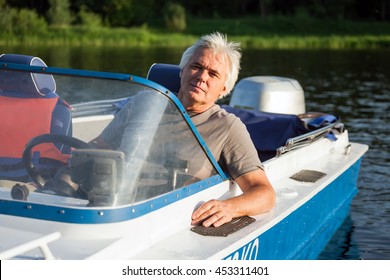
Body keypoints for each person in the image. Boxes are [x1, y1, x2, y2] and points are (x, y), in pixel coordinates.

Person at [91, 32, 275, 227]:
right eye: (196, 67)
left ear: (224, 89)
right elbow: (96, 147)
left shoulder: (228, 127)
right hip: (113, 208)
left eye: (213, 74)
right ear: (182, 71)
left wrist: (229, 207)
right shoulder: (143, 103)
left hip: (170, 221)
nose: (202, 77)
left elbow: (264, 193)